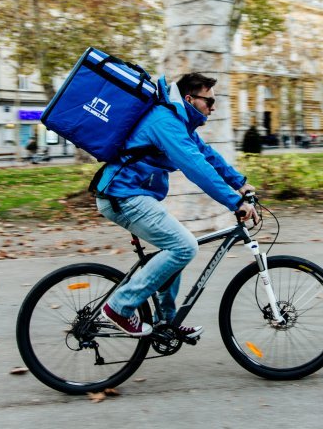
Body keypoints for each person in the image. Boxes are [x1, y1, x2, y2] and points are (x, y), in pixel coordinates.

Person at [93, 73, 258, 338]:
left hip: (135, 195)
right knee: (184, 247)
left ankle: (165, 323)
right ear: (190, 99)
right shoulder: (166, 121)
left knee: (177, 247)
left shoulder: (180, 122)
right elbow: (195, 167)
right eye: (209, 101)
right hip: (123, 195)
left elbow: (207, 155)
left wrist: (240, 183)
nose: (213, 107)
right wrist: (233, 202)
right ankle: (119, 307)